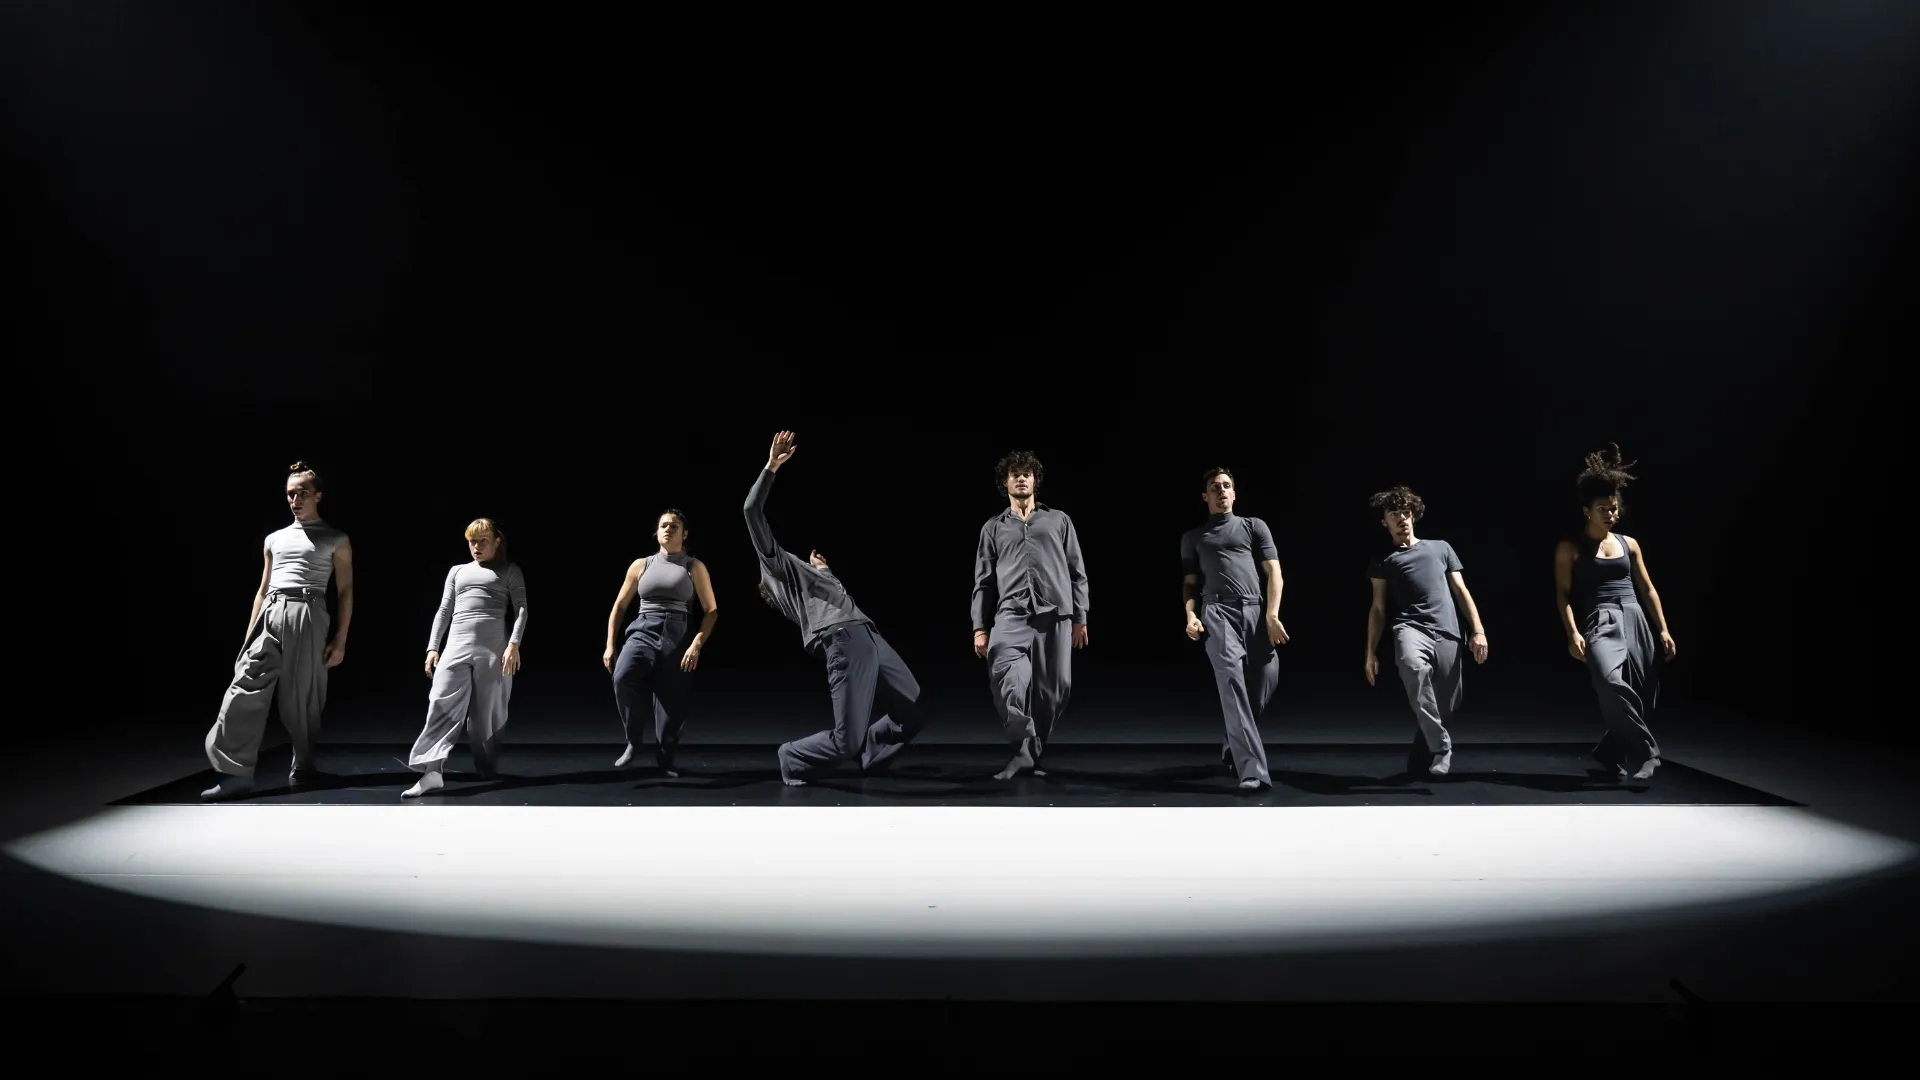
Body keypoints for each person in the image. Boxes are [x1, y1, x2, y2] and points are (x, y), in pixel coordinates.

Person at [747, 431, 927, 785]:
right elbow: (751, 511)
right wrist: (771, 467)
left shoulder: (809, 576)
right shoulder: (775, 567)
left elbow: (837, 599)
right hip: (844, 639)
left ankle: (871, 752)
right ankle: (793, 755)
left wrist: (824, 572)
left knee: (914, 709)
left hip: (868, 633)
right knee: (846, 740)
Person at [201, 461, 355, 800]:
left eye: (301, 493)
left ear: (318, 496)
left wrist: (340, 639)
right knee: (242, 689)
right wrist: (247, 638)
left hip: (309, 612)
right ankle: (235, 773)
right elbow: (262, 588)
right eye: (290, 494)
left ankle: (303, 764)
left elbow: (345, 591)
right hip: (270, 611)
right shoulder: (274, 539)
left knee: (303, 698)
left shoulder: (335, 538)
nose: (295, 499)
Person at [1555, 444, 1676, 782]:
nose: (1611, 514)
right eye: (1603, 509)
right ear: (1586, 511)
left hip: (1635, 617)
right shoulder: (1570, 548)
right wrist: (1572, 632)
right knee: (1610, 683)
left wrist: (1663, 629)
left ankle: (1610, 751)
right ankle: (1645, 754)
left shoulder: (1629, 544)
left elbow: (1648, 588)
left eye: (1614, 508)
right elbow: (1562, 594)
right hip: (1600, 619)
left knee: (1644, 693)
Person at [971, 450, 1089, 780]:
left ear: (1035, 480)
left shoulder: (1059, 521)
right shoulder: (993, 528)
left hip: (1056, 616)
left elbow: (1077, 571)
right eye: (1014, 474)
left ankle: (1030, 753)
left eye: (1027, 474)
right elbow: (983, 581)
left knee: (1055, 690)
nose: (1021, 478)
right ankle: (1022, 747)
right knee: (1007, 678)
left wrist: (1081, 617)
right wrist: (979, 627)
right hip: (1010, 615)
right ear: (1005, 483)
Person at [1363, 486, 1488, 777]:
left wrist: (1478, 631)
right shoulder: (1383, 560)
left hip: (1448, 631)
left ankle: (1422, 753)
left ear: (1414, 515)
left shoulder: (1440, 548)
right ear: (1385, 522)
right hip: (1410, 628)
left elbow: (1460, 590)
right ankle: (1442, 747)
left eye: (1405, 513)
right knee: (1411, 666)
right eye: (1394, 515)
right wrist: (1370, 652)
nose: (1401, 519)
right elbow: (1378, 608)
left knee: (1448, 704)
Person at [402, 518, 529, 798]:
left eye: (483, 540)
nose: (476, 546)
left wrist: (513, 645)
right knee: (440, 703)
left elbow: (521, 609)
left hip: (493, 649)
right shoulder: (457, 571)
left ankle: (486, 765)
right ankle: (432, 771)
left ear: (497, 542)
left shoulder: (509, 570)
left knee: (487, 715)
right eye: (472, 541)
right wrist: (433, 647)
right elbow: (444, 609)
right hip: (456, 645)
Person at [1181, 467, 1287, 790]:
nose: (1222, 491)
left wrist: (1271, 615)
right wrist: (1190, 616)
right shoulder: (1194, 538)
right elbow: (1189, 583)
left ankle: (1233, 739)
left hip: (1255, 610)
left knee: (1267, 676)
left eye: (1227, 486)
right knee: (1232, 684)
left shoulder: (1254, 527)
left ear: (1235, 493)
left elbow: (1275, 574)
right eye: (1215, 487)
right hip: (1217, 612)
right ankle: (1252, 770)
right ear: (1206, 496)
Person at [604, 509, 718, 775]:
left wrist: (697, 644)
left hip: (678, 633)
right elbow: (620, 606)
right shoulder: (641, 565)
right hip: (644, 627)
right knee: (622, 676)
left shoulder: (694, 566)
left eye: (674, 526)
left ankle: (665, 758)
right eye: (663, 525)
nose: (668, 529)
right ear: (656, 533)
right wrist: (610, 644)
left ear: (684, 533)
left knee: (672, 700)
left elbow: (711, 611)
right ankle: (634, 740)